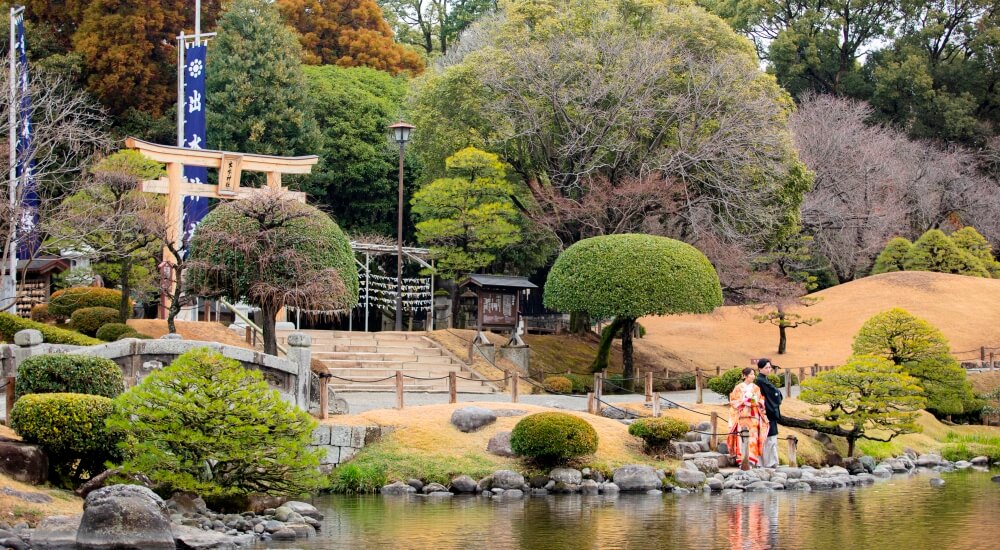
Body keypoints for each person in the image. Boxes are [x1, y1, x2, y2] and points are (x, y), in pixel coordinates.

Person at [727, 367, 769, 468]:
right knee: (741, 437)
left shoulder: (756, 388)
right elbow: (733, 400)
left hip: (753, 416)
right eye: (751, 374)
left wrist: (754, 401)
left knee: (753, 438)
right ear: (745, 376)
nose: (753, 376)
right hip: (742, 416)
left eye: (754, 374)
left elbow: (761, 401)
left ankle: (752, 459)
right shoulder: (738, 388)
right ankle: (742, 459)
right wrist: (743, 401)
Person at [755, 358, 783, 468]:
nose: (769, 369)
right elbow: (775, 394)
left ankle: (765, 463)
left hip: (766, 412)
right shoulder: (761, 381)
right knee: (769, 438)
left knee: (767, 439)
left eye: (769, 367)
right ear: (760, 369)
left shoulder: (763, 381)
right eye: (766, 367)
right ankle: (770, 463)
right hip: (766, 413)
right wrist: (777, 394)